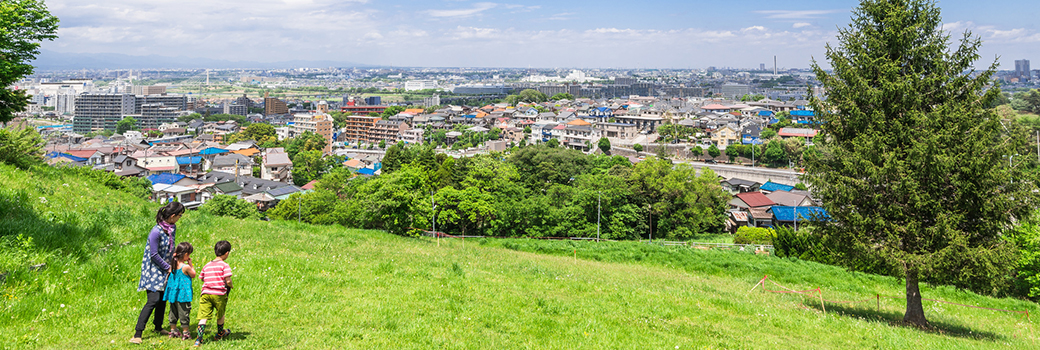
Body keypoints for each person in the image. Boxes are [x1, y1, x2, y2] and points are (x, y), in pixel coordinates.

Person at [130, 202, 184, 344]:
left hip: (166, 268)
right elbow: (153, 255)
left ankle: (158, 327)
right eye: (179, 215)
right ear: (172, 216)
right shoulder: (156, 232)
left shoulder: (172, 228)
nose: (179, 218)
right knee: (153, 300)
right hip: (153, 270)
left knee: (163, 299)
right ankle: (137, 333)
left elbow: (171, 249)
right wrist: (168, 267)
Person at [195, 240, 233, 347]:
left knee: (203, 316)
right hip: (219, 294)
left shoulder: (207, 265)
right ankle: (220, 333)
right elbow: (228, 280)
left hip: (206, 294)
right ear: (227, 253)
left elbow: (202, 278)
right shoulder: (224, 265)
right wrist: (230, 285)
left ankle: (198, 339)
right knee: (220, 314)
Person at [164, 242, 196, 340]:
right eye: (189, 254)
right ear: (186, 255)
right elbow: (193, 274)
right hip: (183, 295)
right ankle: (185, 333)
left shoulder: (172, 265)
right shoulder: (185, 267)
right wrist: (191, 264)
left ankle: (173, 331)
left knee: (173, 312)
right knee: (184, 313)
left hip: (173, 294)